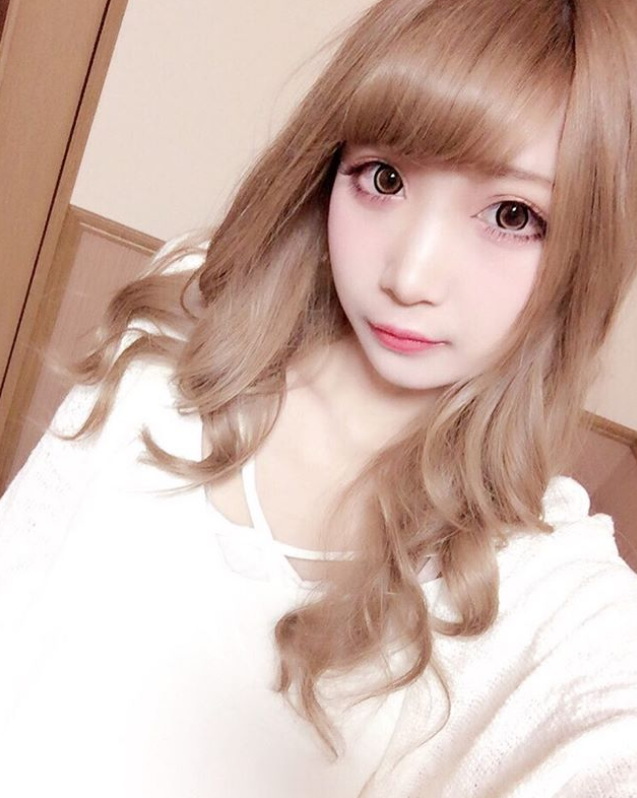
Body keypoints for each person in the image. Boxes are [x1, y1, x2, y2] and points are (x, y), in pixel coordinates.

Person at [1, 0, 637, 795]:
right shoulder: (179, 333)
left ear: (586, 245)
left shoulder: (538, 576)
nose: (409, 275)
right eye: (384, 178)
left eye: (512, 215)